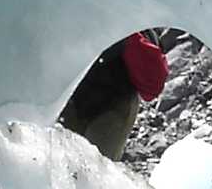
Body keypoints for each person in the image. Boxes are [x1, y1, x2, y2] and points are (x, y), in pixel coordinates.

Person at [59, 31, 170, 160]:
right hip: (80, 98)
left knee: (95, 165)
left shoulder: (129, 29)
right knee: (68, 160)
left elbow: (152, 84)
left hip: (113, 103)